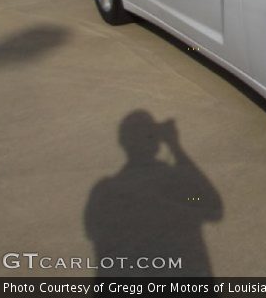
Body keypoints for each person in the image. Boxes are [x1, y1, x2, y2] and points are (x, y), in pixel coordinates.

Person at [84, 111, 223, 276]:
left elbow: (94, 231)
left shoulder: (106, 192)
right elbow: (210, 205)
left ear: (123, 142)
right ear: (158, 140)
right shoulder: (176, 186)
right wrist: (176, 147)